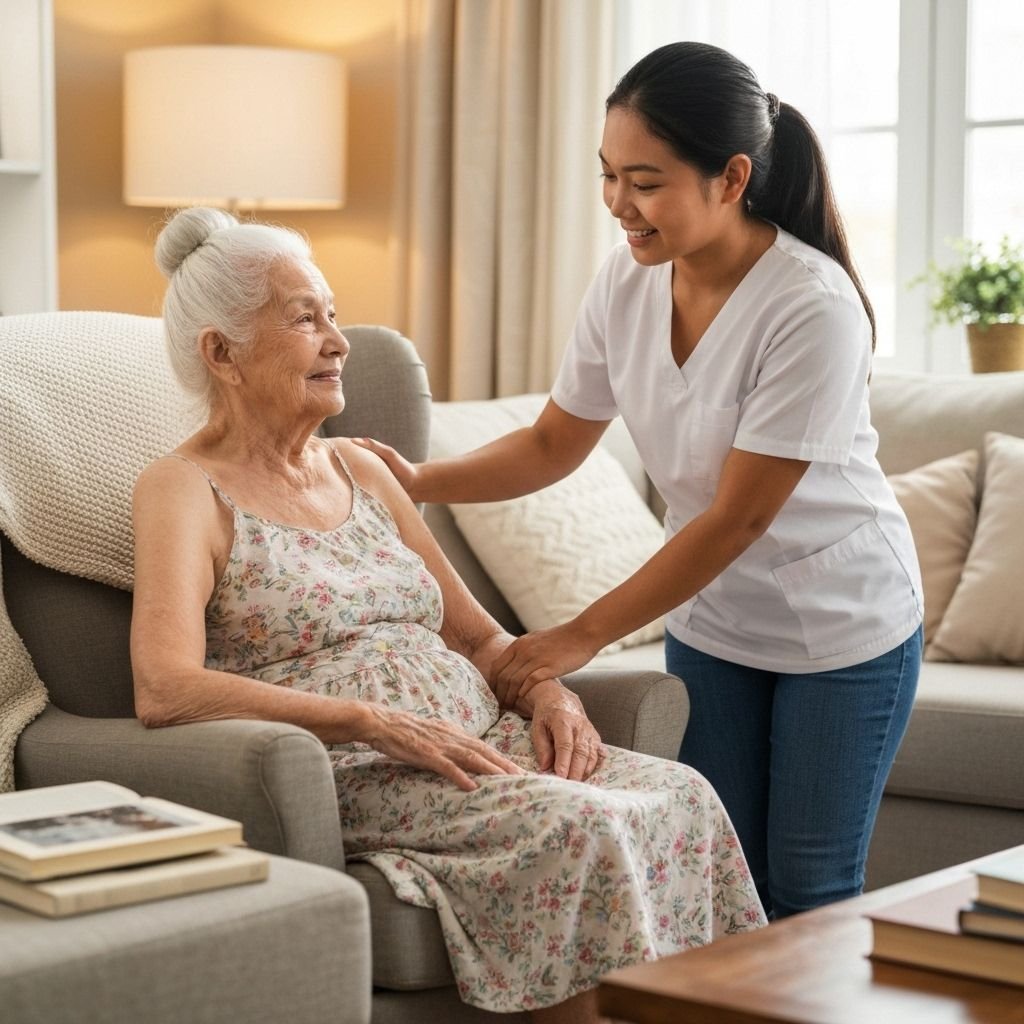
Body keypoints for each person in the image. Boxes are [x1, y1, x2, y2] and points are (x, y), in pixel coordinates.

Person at [129, 205, 766, 1023]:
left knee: (685, 796)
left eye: (332, 313)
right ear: (221, 352)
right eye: (304, 319)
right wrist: (365, 720)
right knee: (582, 828)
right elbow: (164, 686)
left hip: (478, 744)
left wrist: (546, 693)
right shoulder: (183, 489)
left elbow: (472, 635)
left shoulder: (361, 466)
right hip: (362, 768)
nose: (338, 339)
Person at [356, 42, 924, 921]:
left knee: (812, 895)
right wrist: (421, 480)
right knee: (719, 883)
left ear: (731, 178)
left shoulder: (811, 306)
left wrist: (575, 638)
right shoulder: (627, 277)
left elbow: (736, 520)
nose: (621, 204)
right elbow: (552, 442)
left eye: (647, 180)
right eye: (609, 175)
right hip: (716, 624)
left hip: (842, 630)